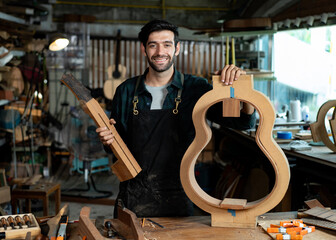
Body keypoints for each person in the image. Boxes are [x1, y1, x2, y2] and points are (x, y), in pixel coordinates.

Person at [96, 19, 256, 218]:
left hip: (180, 193)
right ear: (143, 50)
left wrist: (244, 86)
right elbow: (115, 145)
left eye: (167, 44)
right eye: (153, 45)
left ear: (177, 49)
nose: (160, 52)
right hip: (134, 195)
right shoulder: (126, 91)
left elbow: (243, 122)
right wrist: (107, 139)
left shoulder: (196, 88)